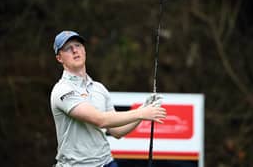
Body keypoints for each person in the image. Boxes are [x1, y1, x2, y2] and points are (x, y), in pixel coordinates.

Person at [50, 30, 166, 167]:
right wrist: (141, 113)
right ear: (59, 58)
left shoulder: (99, 88)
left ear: (84, 50)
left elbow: (117, 132)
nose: (75, 50)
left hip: (106, 162)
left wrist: (142, 111)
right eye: (68, 48)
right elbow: (100, 120)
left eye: (78, 45)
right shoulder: (62, 90)